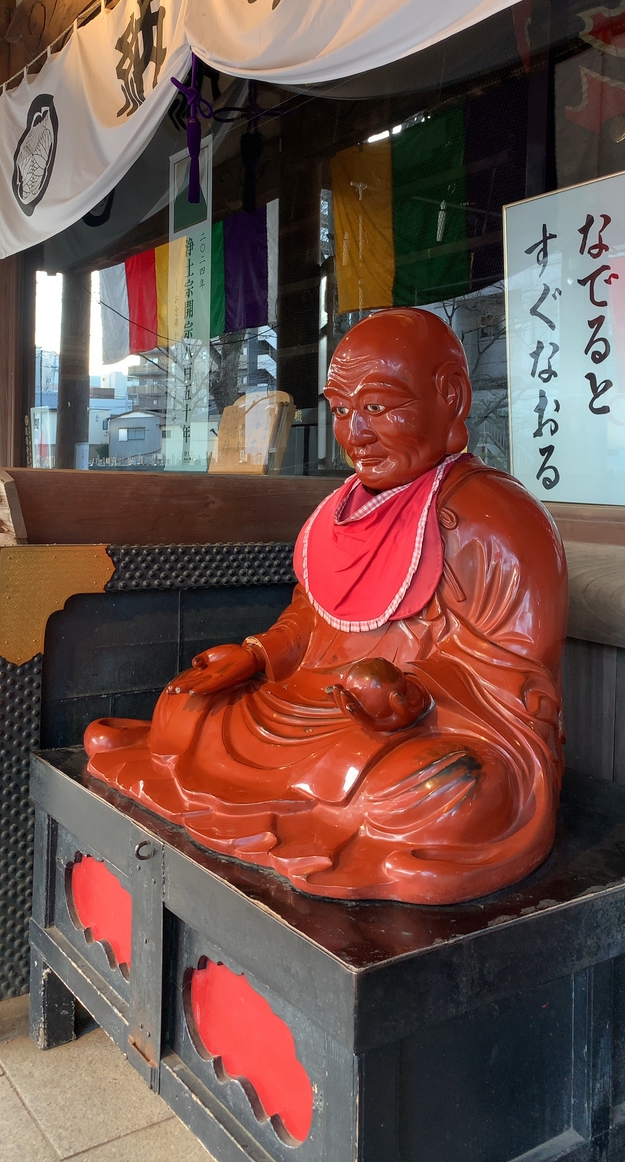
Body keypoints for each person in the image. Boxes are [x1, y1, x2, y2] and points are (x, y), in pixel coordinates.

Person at [85, 308, 568, 905]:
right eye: (340, 410)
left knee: (449, 788)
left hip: (408, 733)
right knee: (186, 705)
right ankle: (279, 795)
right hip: (311, 706)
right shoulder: (340, 512)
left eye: (377, 406)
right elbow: (312, 618)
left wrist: (407, 696)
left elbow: (519, 681)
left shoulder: (497, 518)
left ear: (451, 396)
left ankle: (353, 825)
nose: (354, 433)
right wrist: (256, 654)